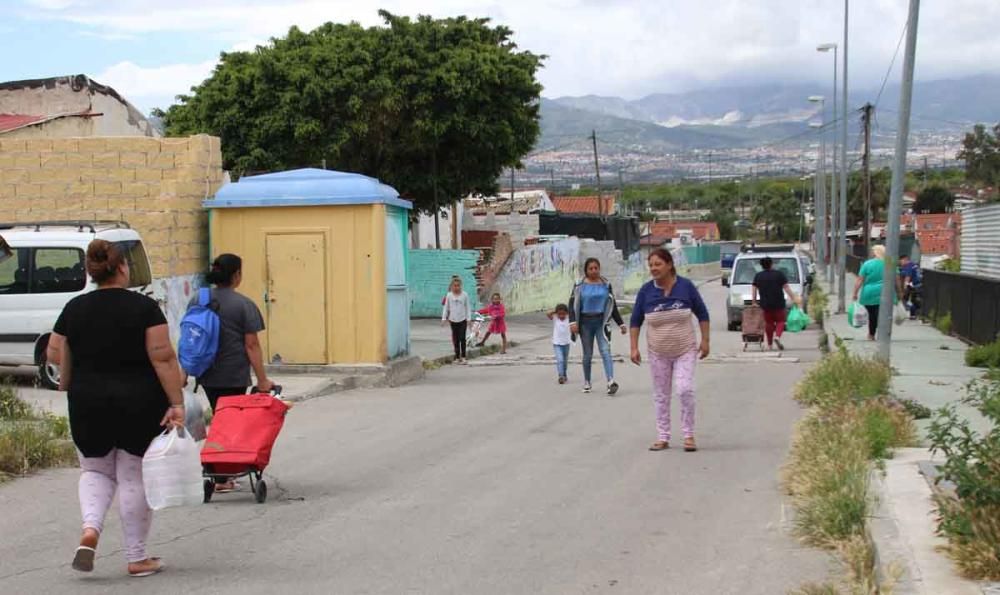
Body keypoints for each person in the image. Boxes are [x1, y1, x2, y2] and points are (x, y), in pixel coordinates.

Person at [47, 239, 184, 578]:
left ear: (92, 273)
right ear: (122, 267)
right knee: (132, 475)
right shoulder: (145, 308)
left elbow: (53, 352)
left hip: (87, 402)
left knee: (95, 471)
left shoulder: (74, 309)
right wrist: (177, 403)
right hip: (139, 402)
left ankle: (90, 530)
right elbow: (162, 357)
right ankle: (137, 557)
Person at [194, 254, 274, 492]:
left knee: (219, 419)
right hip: (234, 374)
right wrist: (262, 380)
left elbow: (191, 337)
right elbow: (252, 345)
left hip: (206, 373)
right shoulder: (244, 305)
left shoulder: (199, 299)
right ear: (236, 275)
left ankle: (220, 474)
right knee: (229, 424)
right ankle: (223, 477)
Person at [629, 248, 710, 453]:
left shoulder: (686, 287)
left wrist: (705, 341)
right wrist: (633, 347)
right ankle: (663, 436)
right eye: (651, 265)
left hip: (685, 349)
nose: (654, 269)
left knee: (684, 389)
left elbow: (702, 314)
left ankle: (688, 435)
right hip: (658, 352)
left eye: (658, 264)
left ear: (669, 264)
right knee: (661, 395)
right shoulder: (646, 291)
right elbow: (635, 320)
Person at [568, 258, 626, 395]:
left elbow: (613, 305)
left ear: (599, 269)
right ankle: (587, 382)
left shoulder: (606, 284)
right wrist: (573, 322)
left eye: (596, 268)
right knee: (588, 354)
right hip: (585, 323)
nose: (594, 271)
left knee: (605, 351)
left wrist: (621, 323)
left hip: (602, 322)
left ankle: (610, 381)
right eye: (591, 268)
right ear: (586, 270)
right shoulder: (579, 285)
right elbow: (571, 304)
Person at [751, 256, 801, 351]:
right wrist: (794, 298)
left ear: (762, 266)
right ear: (771, 264)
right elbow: (786, 288)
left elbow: (754, 289)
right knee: (780, 321)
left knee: (769, 323)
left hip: (765, 304)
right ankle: (777, 336)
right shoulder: (779, 274)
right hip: (778, 303)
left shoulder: (758, 276)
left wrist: (754, 301)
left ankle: (769, 345)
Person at [853, 244, 887, 340]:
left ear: (875, 253)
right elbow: (896, 278)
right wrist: (899, 291)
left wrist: (855, 293)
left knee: (872, 316)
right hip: (885, 291)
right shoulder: (889, 262)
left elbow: (860, 280)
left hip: (869, 292)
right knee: (884, 313)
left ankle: (871, 334)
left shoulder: (867, 264)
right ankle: (884, 332)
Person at [442, 277, 471, 364]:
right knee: (456, 339)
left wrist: (468, 319)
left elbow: (468, 307)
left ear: (461, 286)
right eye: (454, 286)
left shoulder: (464, 295)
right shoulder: (449, 295)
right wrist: (444, 318)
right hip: (453, 319)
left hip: (462, 319)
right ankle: (457, 357)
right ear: (452, 286)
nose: (456, 287)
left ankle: (464, 357)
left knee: (462, 338)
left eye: (458, 286)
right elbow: (446, 307)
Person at [547, 303, 573, 384]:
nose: (561, 316)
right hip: (557, 343)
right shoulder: (555, 318)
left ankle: (564, 374)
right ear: (556, 314)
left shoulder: (569, 318)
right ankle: (561, 376)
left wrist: (568, 312)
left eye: (563, 314)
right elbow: (548, 314)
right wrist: (555, 311)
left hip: (566, 343)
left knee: (564, 361)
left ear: (566, 313)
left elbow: (573, 313)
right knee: (560, 360)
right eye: (559, 314)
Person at [898, 254, 922, 320]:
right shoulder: (913, 265)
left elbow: (907, 277)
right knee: (913, 300)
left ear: (905, 259)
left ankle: (908, 314)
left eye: (901, 261)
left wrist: (905, 288)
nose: (900, 263)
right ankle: (913, 315)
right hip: (918, 285)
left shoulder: (908, 266)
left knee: (906, 300)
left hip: (913, 285)